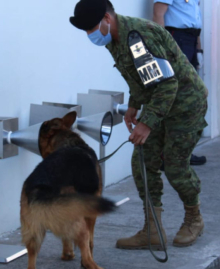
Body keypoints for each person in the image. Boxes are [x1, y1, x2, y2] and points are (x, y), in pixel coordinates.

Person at [70, 0, 208, 249]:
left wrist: (147, 124)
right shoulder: (115, 37)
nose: (90, 34)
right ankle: (153, 230)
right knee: (142, 161)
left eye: (91, 28)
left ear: (107, 19)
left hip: (186, 105)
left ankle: (194, 219)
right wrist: (134, 104)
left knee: (175, 167)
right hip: (161, 102)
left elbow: (167, 84)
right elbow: (142, 76)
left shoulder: (137, 38)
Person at [152, 0, 207, 166]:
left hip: (189, 40)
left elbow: (195, 20)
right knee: (174, 99)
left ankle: (182, 151)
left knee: (188, 99)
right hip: (176, 39)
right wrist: (162, 48)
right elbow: (158, 14)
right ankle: (164, 155)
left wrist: (198, 50)